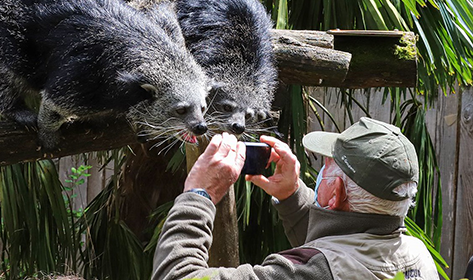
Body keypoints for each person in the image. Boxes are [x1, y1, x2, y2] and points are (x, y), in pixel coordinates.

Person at [152, 117, 440, 280]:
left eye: (326, 165)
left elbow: (176, 276)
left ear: (336, 191)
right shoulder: (419, 257)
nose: (320, 172)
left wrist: (198, 195)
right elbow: (341, 251)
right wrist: (292, 197)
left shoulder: (305, 271)